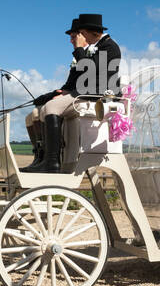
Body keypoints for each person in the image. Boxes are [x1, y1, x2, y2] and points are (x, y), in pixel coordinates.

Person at [22, 14, 121, 173]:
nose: (78, 38)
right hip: (83, 93)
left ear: (90, 32)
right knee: (42, 109)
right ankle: (42, 158)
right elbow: (73, 82)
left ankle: (52, 162)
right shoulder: (94, 48)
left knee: (51, 107)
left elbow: (90, 72)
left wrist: (80, 49)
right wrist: (54, 94)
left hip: (97, 96)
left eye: (81, 33)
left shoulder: (109, 47)